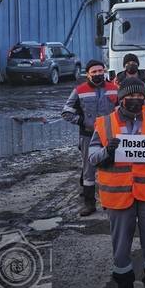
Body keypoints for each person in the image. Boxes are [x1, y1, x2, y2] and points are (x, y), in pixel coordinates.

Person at [88, 78, 145, 288]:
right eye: (130, 96)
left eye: (140, 96)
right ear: (121, 98)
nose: (136, 99)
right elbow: (92, 157)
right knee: (121, 244)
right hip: (118, 194)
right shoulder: (104, 123)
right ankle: (124, 286)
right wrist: (107, 151)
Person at [61, 59, 119, 216]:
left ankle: (109, 201)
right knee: (89, 170)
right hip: (87, 135)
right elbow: (66, 111)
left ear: (105, 71)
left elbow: (120, 109)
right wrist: (84, 122)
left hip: (110, 136)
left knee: (111, 167)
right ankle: (89, 203)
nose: (98, 74)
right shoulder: (80, 90)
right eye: (94, 72)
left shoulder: (114, 88)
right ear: (88, 74)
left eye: (100, 71)